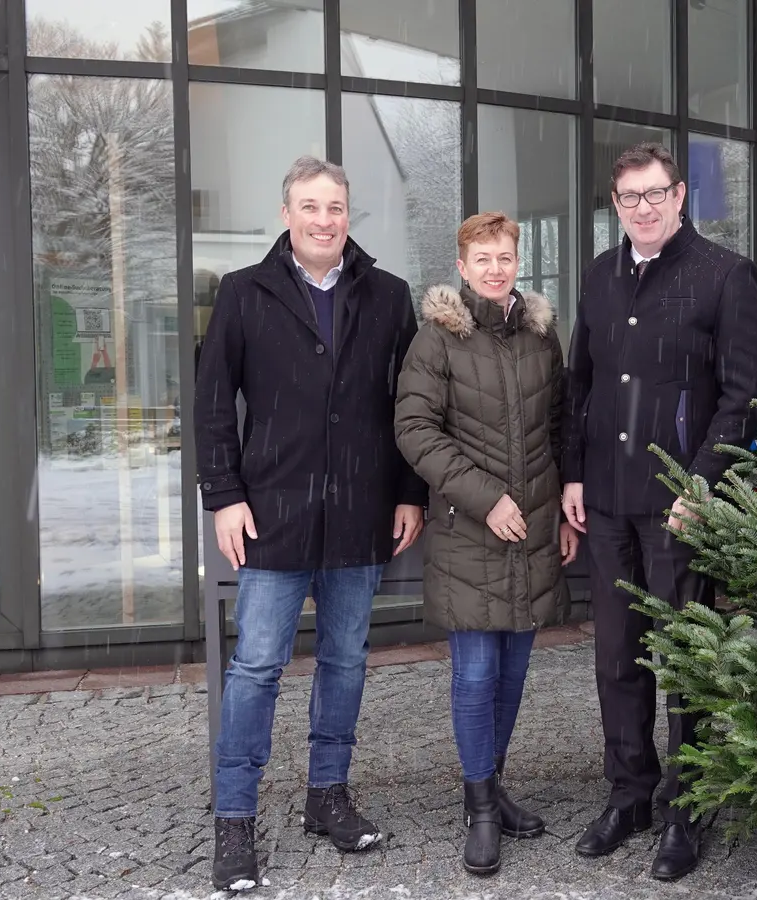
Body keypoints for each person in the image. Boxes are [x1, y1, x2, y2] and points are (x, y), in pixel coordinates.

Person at [195, 155, 427, 892]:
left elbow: (412, 405)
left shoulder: (389, 296)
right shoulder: (242, 293)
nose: (324, 220)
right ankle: (235, 819)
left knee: (346, 661)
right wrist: (223, 495)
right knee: (257, 667)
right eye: (310, 206)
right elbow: (210, 405)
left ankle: (327, 796)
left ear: (347, 214)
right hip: (271, 513)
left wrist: (409, 492)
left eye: (335, 207)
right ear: (286, 213)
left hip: (360, 512)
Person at [561, 142, 757, 880]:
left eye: (655, 194)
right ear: (615, 205)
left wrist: (702, 483)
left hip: (679, 503)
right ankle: (632, 793)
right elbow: (578, 384)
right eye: (629, 198)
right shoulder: (599, 276)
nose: (643, 208)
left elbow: (746, 396)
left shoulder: (722, 275)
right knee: (616, 657)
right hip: (609, 500)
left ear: (680, 196)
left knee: (682, 658)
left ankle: (688, 805)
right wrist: (573, 476)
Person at [394, 211, 579, 876]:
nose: (496, 268)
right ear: (462, 266)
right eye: (483, 259)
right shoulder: (438, 339)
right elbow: (415, 428)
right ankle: (480, 808)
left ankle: (493, 785)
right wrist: (485, 498)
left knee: (513, 674)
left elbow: (560, 425)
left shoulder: (539, 335)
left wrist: (559, 511)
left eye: (505, 257)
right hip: (471, 533)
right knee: (474, 676)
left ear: (515, 262)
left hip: (531, 532)